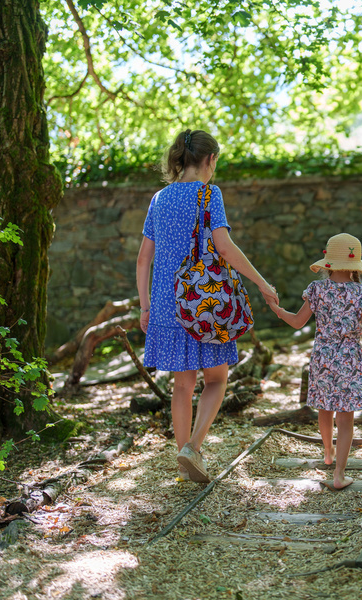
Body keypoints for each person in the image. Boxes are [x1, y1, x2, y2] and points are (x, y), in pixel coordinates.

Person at [136, 129, 279, 483]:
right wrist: (262, 283)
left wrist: (145, 307)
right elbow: (225, 248)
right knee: (216, 379)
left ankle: (185, 462)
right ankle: (192, 449)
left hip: (170, 306)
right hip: (206, 304)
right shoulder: (208, 194)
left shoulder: (159, 199)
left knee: (182, 386)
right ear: (210, 160)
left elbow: (143, 259)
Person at [267, 233, 362, 491]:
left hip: (322, 356)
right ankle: (339, 473)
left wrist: (277, 309)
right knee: (346, 418)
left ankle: (328, 452)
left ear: (328, 261)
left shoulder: (316, 289)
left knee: (324, 408)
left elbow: (298, 322)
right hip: (350, 358)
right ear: (356, 265)